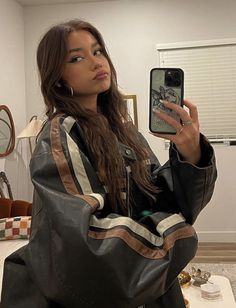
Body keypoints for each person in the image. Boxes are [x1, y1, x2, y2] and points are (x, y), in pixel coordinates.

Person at [1, 19, 217, 308]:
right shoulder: (60, 132)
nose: (95, 62)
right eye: (77, 57)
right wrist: (175, 236)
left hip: (139, 283)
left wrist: (190, 155)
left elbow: (161, 197)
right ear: (58, 78)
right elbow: (86, 238)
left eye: (98, 51)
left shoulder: (124, 130)